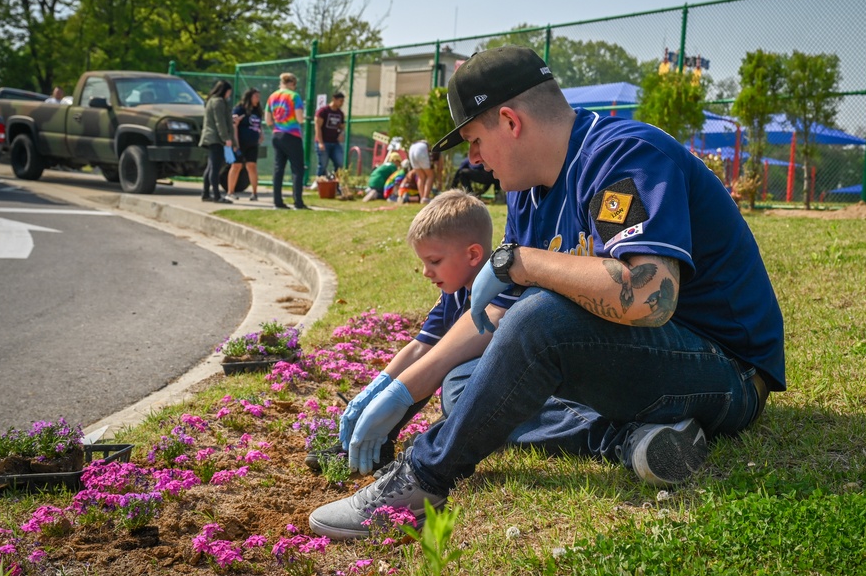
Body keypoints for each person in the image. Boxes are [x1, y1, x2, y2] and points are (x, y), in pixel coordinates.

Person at [309, 45, 786, 540]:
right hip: (638, 363)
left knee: (539, 319)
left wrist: (522, 262)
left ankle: (421, 480)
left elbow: (651, 297)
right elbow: (498, 311)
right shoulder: (526, 188)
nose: (473, 158)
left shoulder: (620, 155)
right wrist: (406, 390)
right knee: (462, 387)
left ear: (510, 122)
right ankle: (630, 439)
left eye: (473, 139)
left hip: (726, 371)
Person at [306, 189, 515, 473]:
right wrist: (377, 391)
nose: (426, 272)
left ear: (473, 255)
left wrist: (399, 393)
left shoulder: (502, 290)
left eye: (435, 261)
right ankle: (377, 442)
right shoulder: (453, 294)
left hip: (502, 391)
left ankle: (427, 447)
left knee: (454, 384)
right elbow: (421, 348)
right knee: (419, 372)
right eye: (424, 262)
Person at [265, 73, 309, 210]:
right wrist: (305, 117)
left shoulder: (272, 97)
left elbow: (268, 120)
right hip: (292, 135)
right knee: (297, 168)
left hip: (277, 134)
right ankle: (298, 202)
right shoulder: (294, 96)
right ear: (292, 83)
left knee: (278, 169)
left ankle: (277, 202)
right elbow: (300, 119)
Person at [199, 79, 235, 204]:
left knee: (210, 167)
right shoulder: (218, 102)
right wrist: (226, 138)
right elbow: (220, 122)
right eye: (229, 92)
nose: (229, 95)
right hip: (215, 138)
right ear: (224, 91)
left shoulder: (211, 101)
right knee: (215, 168)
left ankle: (206, 193)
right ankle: (216, 196)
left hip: (211, 137)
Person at [229, 88, 264, 201]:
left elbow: (259, 125)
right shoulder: (240, 109)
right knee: (236, 166)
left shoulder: (257, 110)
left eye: (259, 97)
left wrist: (261, 134)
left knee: (252, 166)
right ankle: (230, 192)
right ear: (249, 97)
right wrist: (235, 143)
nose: (258, 99)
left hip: (252, 143)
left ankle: (254, 193)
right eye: (256, 96)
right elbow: (234, 124)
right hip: (240, 143)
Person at [314, 92, 346, 181]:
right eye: (340, 101)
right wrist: (320, 142)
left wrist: (340, 134)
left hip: (335, 143)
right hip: (324, 142)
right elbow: (317, 127)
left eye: (343, 101)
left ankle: (336, 183)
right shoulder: (323, 111)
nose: (342, 103)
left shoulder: (340, 113)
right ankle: (319, 182)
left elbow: (342, 127)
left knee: (339, 163)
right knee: (323, 164)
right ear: (334, 99)